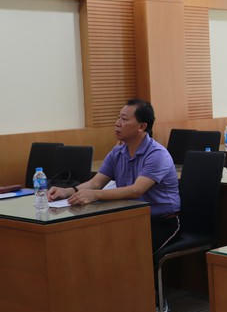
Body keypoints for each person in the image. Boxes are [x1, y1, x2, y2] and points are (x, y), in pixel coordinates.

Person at [47, 99, 180, 252]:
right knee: (96, 245)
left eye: (124, 119)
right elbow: (95, 183)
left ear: (142, 127)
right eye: (118, 118)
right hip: (129, 217)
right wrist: (68, 191)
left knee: (131, 254)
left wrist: (95, 195)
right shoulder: (117, 152)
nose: (117, 123)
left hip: (161, 220)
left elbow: (136, 190)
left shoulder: (157, 154)